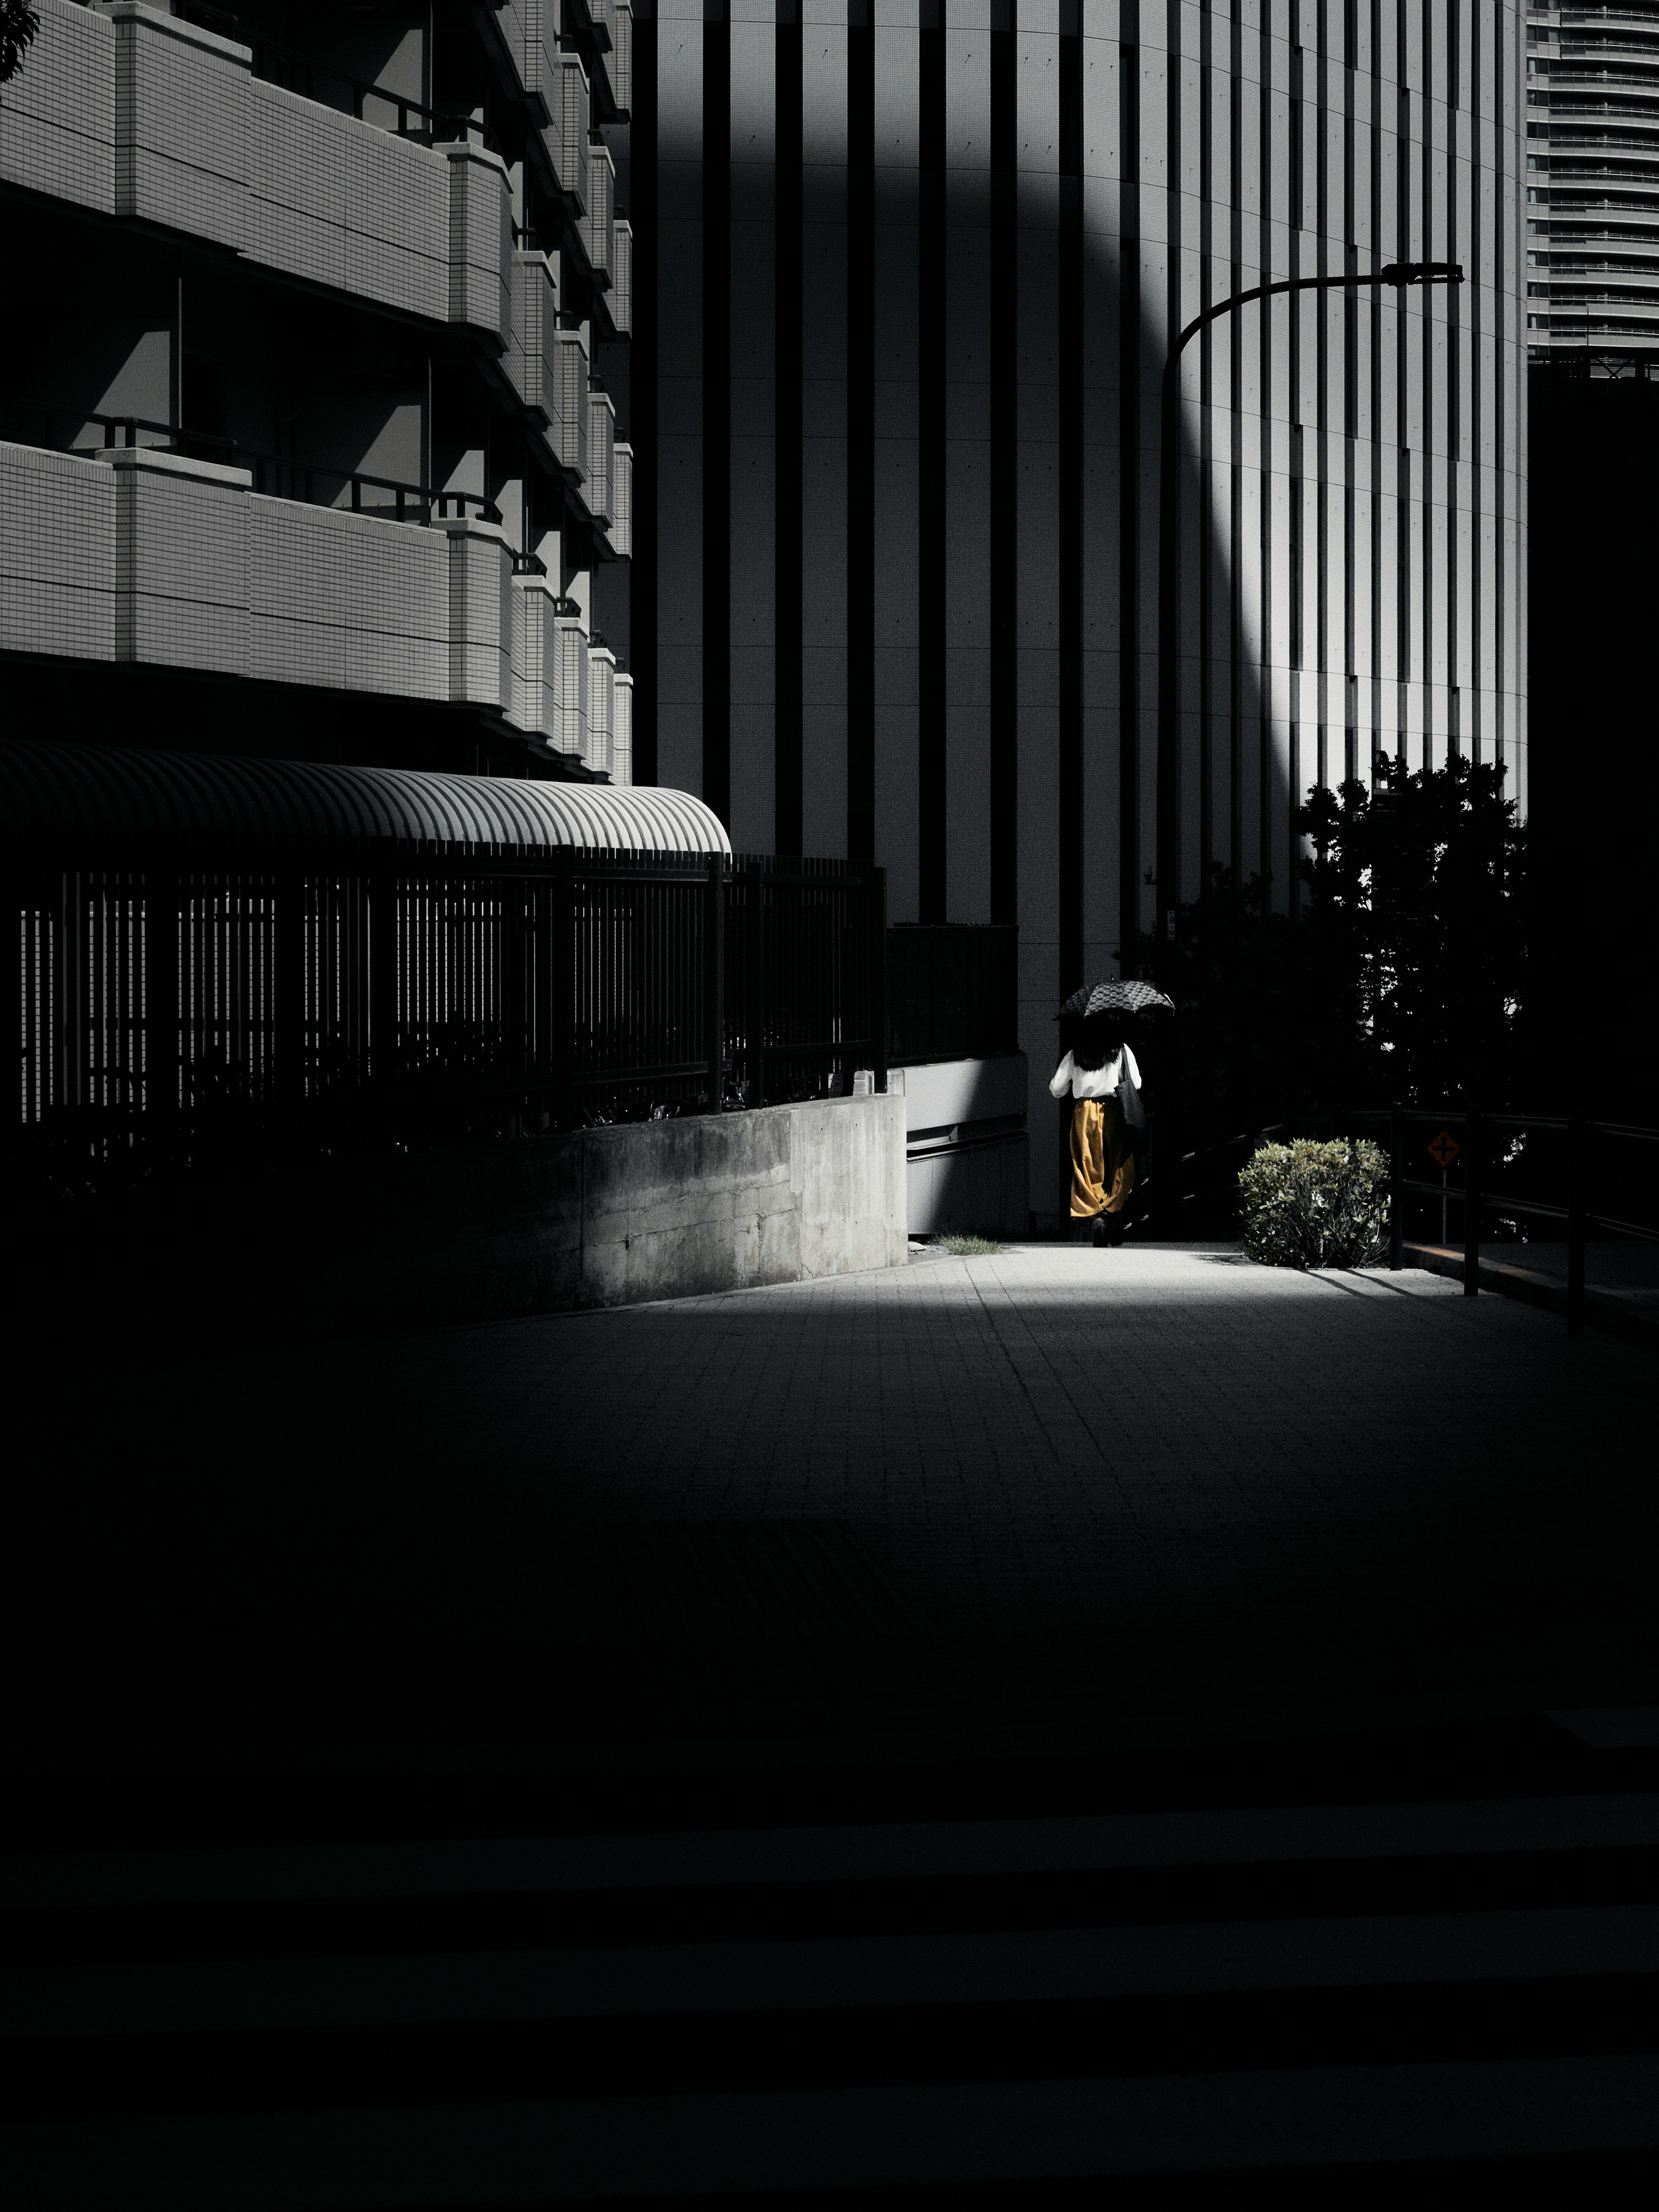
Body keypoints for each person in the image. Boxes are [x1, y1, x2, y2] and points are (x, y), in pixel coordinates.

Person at [1049, 1017, 1145, 1247]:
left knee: (1089, 1166)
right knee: (1120, 1164)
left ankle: (1098, 1219)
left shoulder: (1076, 1053)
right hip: (1116, 1111)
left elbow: (1057, 1089)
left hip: (1084, 1112)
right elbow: (1138, 1084)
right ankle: (1114, 1211)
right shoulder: (1122, 1050)